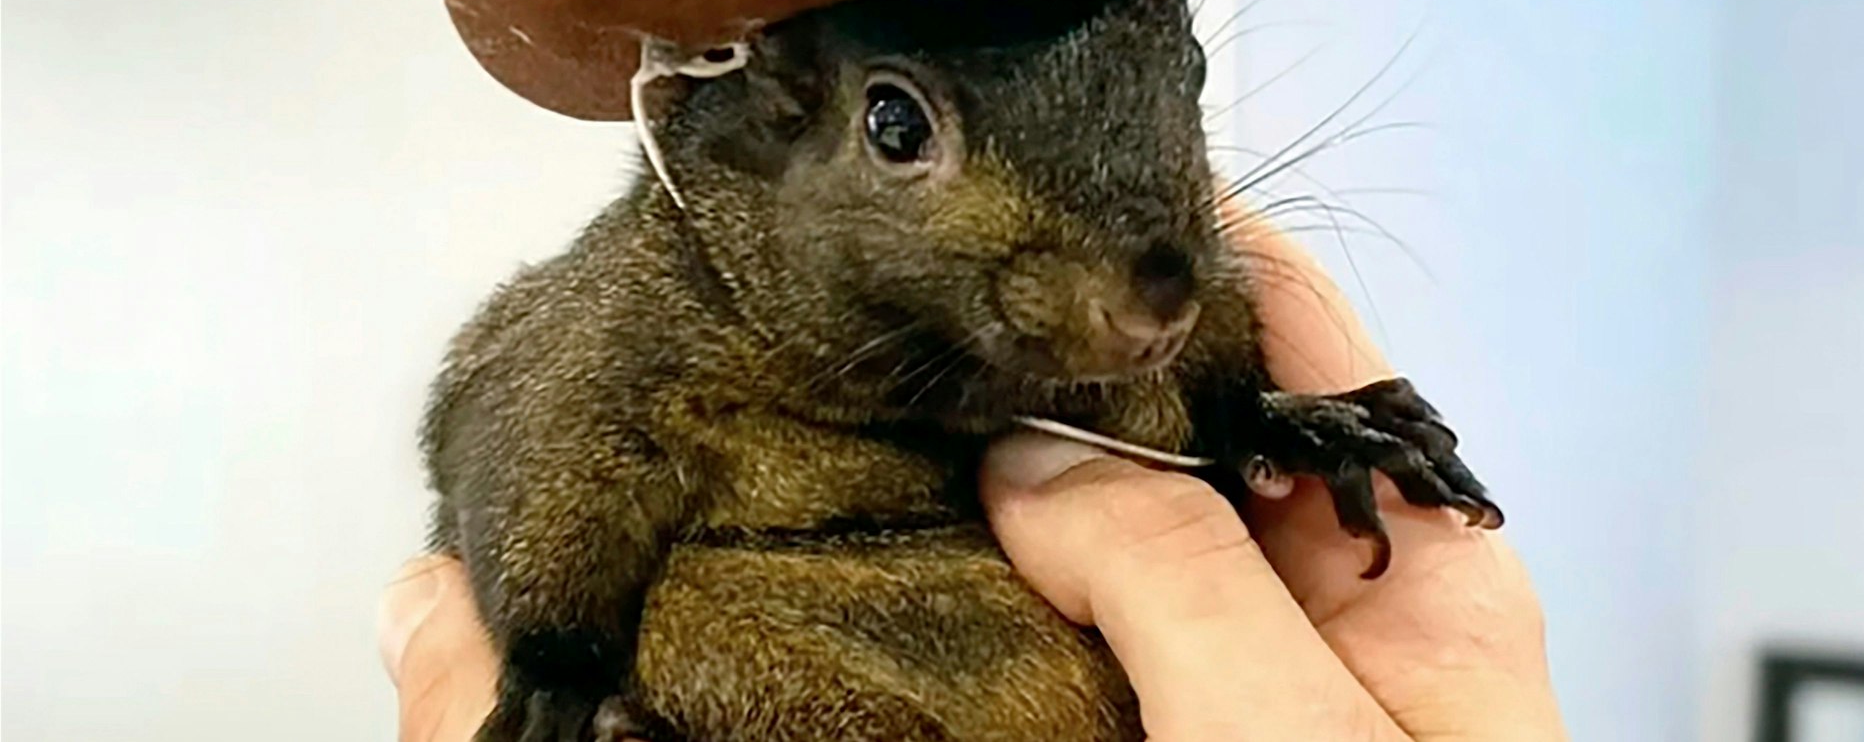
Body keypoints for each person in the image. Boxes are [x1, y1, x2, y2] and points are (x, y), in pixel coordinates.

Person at [377, 218, 1568, 741]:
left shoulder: (1173, 287)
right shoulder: (648, 320)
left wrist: (1266, 421)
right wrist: (559, 665)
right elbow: (511, 440)